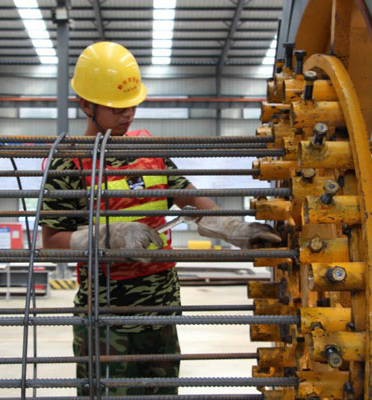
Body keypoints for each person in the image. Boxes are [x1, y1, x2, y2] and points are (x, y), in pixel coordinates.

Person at [41, 41, 281, 396]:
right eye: (118, 107)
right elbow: (51, 244)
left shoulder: (148, 149)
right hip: (108, 320)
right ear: (86, 105)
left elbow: (189, 198)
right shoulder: (69, 162)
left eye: (133, 103)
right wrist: (107, 236)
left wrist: (232, 227)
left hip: (161, 312)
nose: (129, 114)